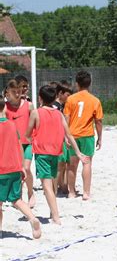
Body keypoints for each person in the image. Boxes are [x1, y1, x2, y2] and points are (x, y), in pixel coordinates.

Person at [25, 85, 87, 225]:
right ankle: (53, 213)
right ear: (54, 98)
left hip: (42, 153)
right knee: (52, 183)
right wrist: (78, 153)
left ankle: (56, 217)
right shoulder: (59, 114)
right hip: (56, 152)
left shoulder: (36, 112)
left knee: (47, 185)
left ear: (40, 98)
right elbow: (69, 134)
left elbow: (27, 134)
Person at [0, 94, 41, 239]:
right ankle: (32, 218)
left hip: (1, 171)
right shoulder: (12, 126)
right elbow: (18, 147)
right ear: (5, 107)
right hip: (14, 169)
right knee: (17, 200)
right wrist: (22, 167)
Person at [64, 70, 103, 201]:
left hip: (73, 135)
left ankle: (71, 192)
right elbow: (98, 121)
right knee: (87, 163)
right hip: (87, 135)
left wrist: (66, 136)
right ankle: (86, 193)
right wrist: (100, 137)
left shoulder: (70, 99)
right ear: (89, 84)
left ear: (77, 84)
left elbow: (66, 119)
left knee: (72, 165)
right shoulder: (95, 100)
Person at [4, 79, 37, 208]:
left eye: (19, 91)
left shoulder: (29, 105)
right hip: (12, 145)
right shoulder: (5, 108)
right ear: (8, 93)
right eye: (14, 92)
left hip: (26, 143)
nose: (17, 94)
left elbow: (36, 121)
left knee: (27, 168)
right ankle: (19, 197)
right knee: (17, 171)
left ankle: (30, 193)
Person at [55, 81, 73, 195]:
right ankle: (57, 186)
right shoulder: (55, 107)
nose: (69, 98)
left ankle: (64, 185)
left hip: (65, 137)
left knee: (67, 163)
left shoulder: (65, 105)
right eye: (67, 95)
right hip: (58, 138)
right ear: (60, 93)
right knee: (60, 165)